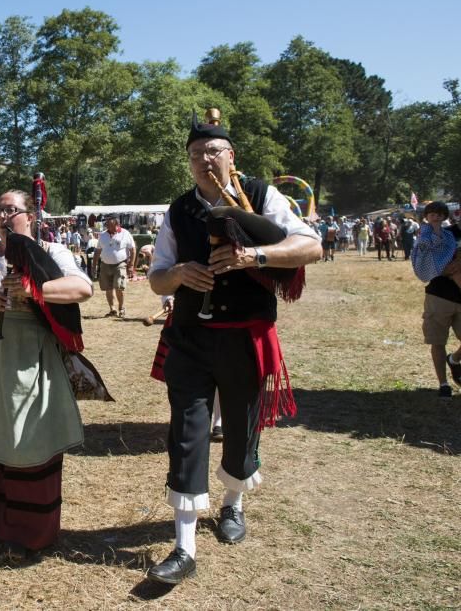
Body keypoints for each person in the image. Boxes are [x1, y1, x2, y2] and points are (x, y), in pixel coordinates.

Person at [146, 111, 321, 585]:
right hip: (190, 336)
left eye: (213, 151)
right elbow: (156, 275)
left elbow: (311, 247)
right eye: (196, 155)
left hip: (246, 335)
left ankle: (232, 505)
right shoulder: (179, 209)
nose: (204, 160)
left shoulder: (263, 195)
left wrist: (255, 255)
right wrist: (180, 274)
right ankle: (184, 548)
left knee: (242, 427)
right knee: (186, 432)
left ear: (231, 156)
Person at [0, 189, 92, 553]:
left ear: (32, 216)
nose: (4, 215)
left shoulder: (53, 251)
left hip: (30, 351)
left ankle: (29, 528)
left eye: (12, 209)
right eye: (0, 209)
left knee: (24, 436)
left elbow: (82, 288)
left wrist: (34, 288)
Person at [411, 201, 461, 398]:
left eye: (440, 214)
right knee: (437, 341)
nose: (436, 217)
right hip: (439, 295)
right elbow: (429, 258)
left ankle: (455, 359)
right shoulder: (448, 234)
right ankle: (444, 385)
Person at [93, 215, 136, 318]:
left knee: (119, 287)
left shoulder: (125, 234)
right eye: (107, 224)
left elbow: (133, 249)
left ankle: (121, 308)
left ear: (117, 224)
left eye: (110, 224)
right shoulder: (103, 235)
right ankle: (112, 309)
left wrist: (131, 265)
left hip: (120, 264)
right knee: (108, 288)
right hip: (105, 265)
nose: (108, 226)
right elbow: (98, 250)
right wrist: (94, 265)